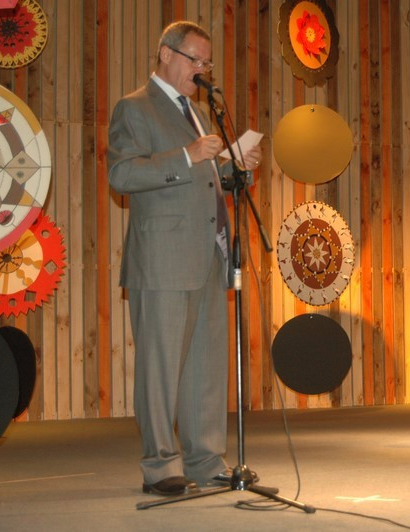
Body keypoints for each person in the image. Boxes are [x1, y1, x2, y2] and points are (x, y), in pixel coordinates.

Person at [107, 20, 263, 496]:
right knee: (160, 368)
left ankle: (204, 459)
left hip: (208, 255)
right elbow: (122, 174)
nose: (202, 70)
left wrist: (233, 170)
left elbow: (200, 180)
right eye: (195, 59)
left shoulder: (196, 112)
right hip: (162, 260)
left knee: (205, 367)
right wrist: (188, 156)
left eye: (206, 62)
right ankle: (160, 466)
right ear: (166, 54)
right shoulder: (135, 107)